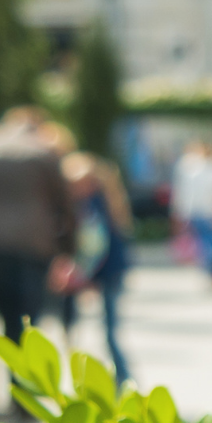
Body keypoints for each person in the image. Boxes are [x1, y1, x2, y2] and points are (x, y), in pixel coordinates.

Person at [0, 106, 75, 364]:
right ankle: (26, 380)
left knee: (7, 318)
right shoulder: (42, 150)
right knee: (30, 319)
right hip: (35, 244)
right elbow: (64, 204)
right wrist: (68, 249)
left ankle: (14, 377)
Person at [56, 152, 133, 385]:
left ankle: (120, 377)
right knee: (106, 329)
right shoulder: (108, 202)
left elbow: (94, 244)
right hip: (107, 269)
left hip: (103, 269)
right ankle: (119, 376)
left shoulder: (93, 205)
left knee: (107, 330)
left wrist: (83, 274)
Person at [172, 140, 212, 283]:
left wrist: (181, 213)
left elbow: (183, 194)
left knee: (205, 244)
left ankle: (210, 270)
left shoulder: (189, 168)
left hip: (196, 212)